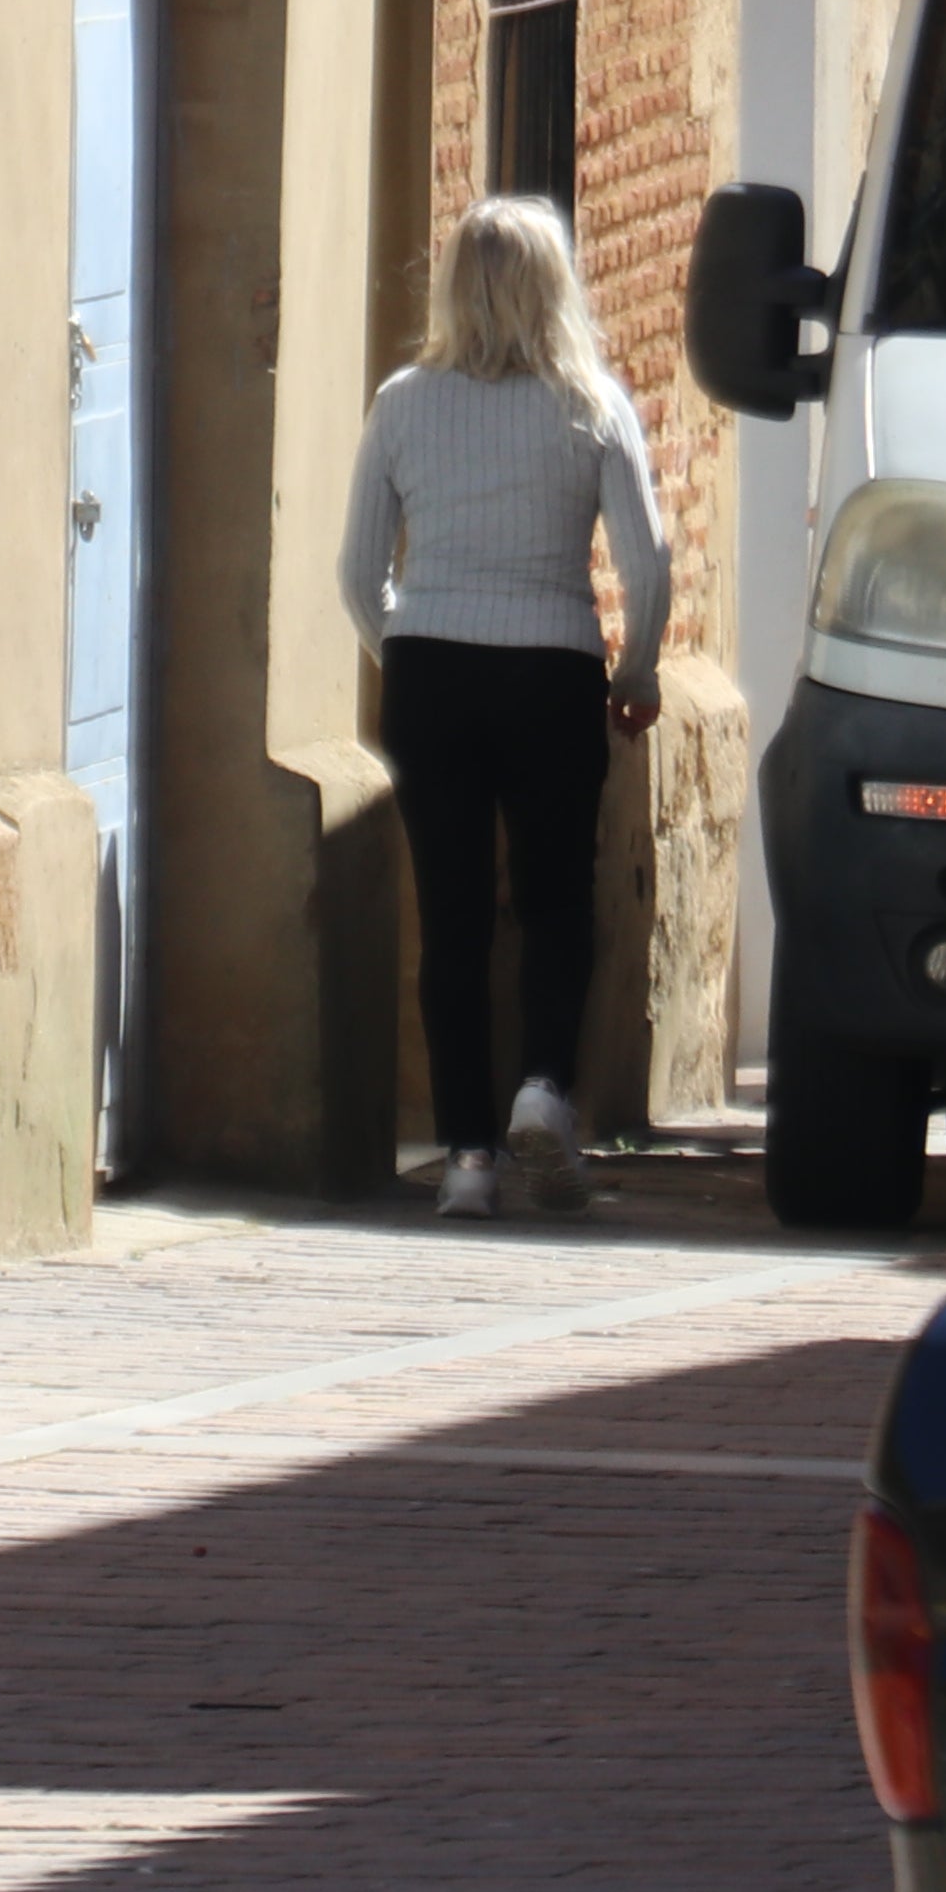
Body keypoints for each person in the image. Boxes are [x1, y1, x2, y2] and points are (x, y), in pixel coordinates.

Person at [334, 196, 667, 1220]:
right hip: (552, 669)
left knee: (453, 916)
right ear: (554, 287)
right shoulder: (590, 402)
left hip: (433, 671)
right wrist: (636, 670)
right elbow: (647, 563)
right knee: (560, 897)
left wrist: (416, 649)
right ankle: (545, 1090)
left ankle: (470, 1158)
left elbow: (355, 574)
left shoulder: (401, 401)